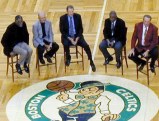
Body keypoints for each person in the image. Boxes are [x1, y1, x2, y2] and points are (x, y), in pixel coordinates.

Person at [59, 5, 96, 72]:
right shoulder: (62, 18)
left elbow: (81, 29)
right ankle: (68, 57)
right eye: (70, 12)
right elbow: (62, 31)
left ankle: (91, 61)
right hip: (67, 37)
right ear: (67, 11)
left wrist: (76, 39)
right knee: (66, 44)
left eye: (72, 11)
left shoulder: (78, 16)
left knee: (86, 45)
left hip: (77, 36)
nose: (71, 13)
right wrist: (70, 39)